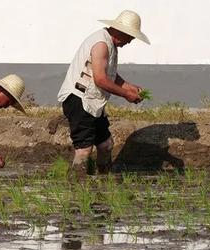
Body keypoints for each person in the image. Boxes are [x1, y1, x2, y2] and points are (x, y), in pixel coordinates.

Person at [57, 10, 150, 175]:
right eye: (130, 37)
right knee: (84, 149)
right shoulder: (101, 44)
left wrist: (129, 86)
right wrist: (125, 94)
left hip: (94, 101)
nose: (130, 41)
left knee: (106, 144)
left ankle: (104, 180)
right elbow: (100, 79)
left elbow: (109, 74)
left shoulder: (110, 44)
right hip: (79, 99)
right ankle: (77, 186)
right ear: (121, 32)